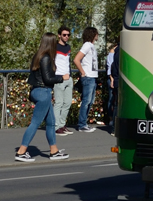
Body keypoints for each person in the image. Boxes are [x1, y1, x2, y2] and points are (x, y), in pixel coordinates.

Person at [15, 33, 68, 162]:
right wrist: (62, 78)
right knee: (36, 122)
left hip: (40, 91)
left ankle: (54, 151)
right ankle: (21, 152)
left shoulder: (38, 56)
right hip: (43, 91)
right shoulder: (46, 58)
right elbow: (47, 78)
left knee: (50, 123)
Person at [73, 26, 100, 132]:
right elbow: (76, 59)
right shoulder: (87, 45)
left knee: (90, 101)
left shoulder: (91, 46)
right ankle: (81, 124)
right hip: (88, 77)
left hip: (92, 77)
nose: (97, 36)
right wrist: (82, 72)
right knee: (86, 101)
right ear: (93, 34)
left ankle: (84, 123)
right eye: (96, 34)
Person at [52, 26, 75, 136]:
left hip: (68, 78)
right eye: (64, 35)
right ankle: (56, 127)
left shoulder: (68, 47)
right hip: (59, 78)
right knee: (59, 103)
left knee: (67, 103)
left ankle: (62, 124)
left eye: (68, 35)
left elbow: (68, 62)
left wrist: (70, 75)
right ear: (59, 35)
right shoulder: (54, 47)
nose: (66, 37)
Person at [104, 41, 119, 134]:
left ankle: (114, 127)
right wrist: (111, 78)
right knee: (114, 102)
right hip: (115, 79)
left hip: (115, 79)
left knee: (116, 104)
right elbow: (110, 66)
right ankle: (113, 124)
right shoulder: (116, 52)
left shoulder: (117, 51)